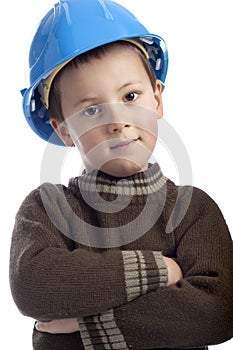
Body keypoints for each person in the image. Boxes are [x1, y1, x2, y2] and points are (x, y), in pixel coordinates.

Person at [9, 0, 233, 349]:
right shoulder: (47, 207)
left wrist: (88, 324)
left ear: (156, 100)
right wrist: (161, 270)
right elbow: (33, 285)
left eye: (130, 95)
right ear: (64, 130)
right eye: (92, 109)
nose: (117, 121)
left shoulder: (193, 210)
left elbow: (219, 310)